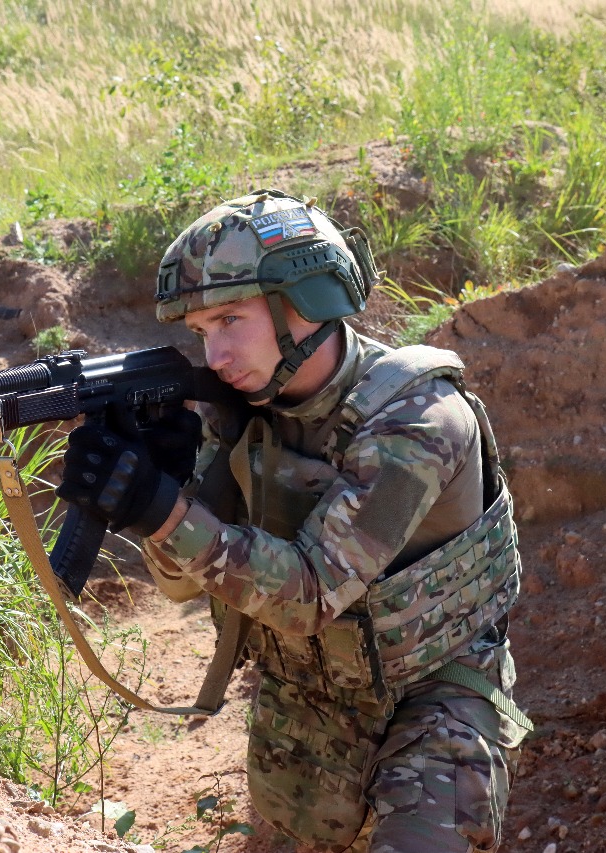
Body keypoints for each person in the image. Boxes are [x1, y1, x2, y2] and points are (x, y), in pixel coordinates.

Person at [56, 189, 529, 853]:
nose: (215, 356)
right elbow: (182, 584)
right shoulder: (247, 413)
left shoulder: (417, 420)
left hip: (432, 703)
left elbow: (309, 592)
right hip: (310, 710)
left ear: (305, 302)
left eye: (230, 320)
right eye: (202, 332)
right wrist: (166, 491)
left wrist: (159, 507)